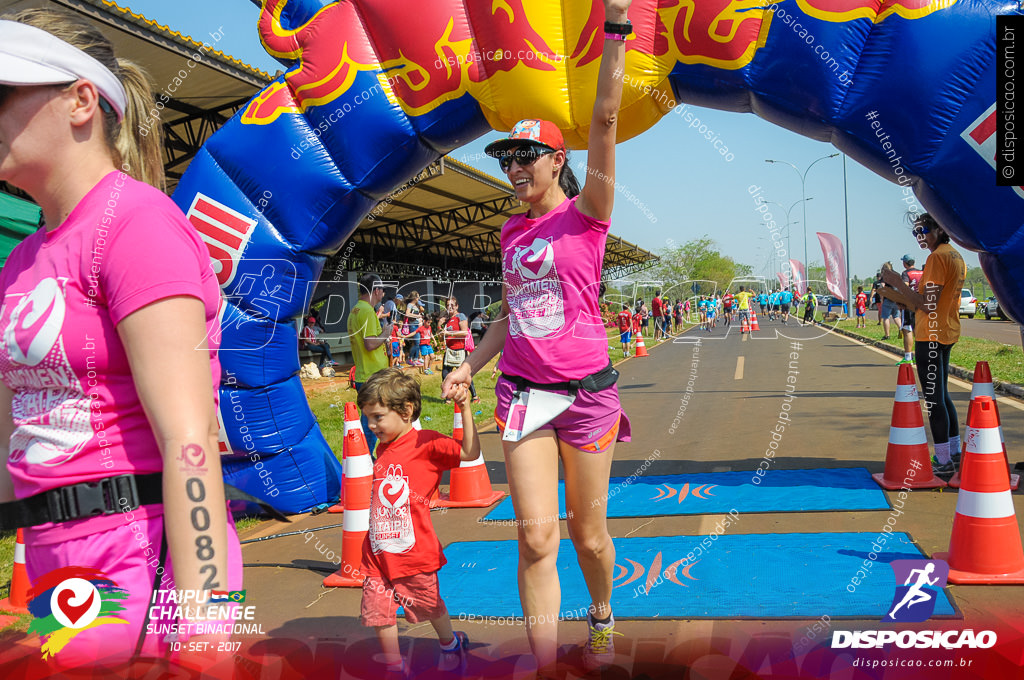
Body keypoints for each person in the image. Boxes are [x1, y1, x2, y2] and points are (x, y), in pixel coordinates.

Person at [0, 9, 240, 663]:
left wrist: (205, 620)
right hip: (55, 552)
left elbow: (189, 440)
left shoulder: (135, 225)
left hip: (142, 549)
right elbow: (16, 428)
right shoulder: (22, 261)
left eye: (3, 93)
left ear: (81, 101)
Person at [440, 2, 633, 672]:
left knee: (590, 536)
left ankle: (602, 613)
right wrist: (470, 363)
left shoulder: (589, 216)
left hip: (587, 396)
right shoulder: (510, 232)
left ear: (557, 161)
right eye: (506, 160)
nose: (514, 168)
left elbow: (605, 119)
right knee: (535, 538)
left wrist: (615, 29)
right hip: (525, 395)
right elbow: (510, 312)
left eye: (526, 157)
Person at [357, 367, 481, 676]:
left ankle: (450, 643)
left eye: (377, 417)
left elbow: (469, 451)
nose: (371, 425)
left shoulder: (426, 444)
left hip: (414, 552)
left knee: (428, 605)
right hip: (377, 553)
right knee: (378, 612)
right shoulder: (383, 446)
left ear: (406, 410)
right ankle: (394, 666)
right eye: (368, 418)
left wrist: (464, 407)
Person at [880, 213, 966, 475]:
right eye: (917, 232)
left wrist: (895, 283)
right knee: (942, 395)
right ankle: (953, 452)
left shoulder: (937, 257)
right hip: (946, 330)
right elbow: (929, 302)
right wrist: (897, 296)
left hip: (930, 335)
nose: (921, 236)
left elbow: (926, 305)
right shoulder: (954, 255)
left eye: (925, 230)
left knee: (933, 400)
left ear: (941, 228)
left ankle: (942, 459)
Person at [349, 273, 394, 452]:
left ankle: (364, 457)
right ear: (376, 290)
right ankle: (366, 459)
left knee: (370, 419)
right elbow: (369, 343)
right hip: (372, 376)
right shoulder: (367, 311)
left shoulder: (356, 310)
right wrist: (386, 333)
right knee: (372, 423)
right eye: (382, 290)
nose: (383, 294)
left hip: (364, 373)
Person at [441, 297, 477, 404]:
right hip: (449, 350)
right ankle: (448, 397)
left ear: (457, 306)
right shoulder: (447, 319)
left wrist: (449, 333)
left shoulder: (460, 316)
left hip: (460, 350)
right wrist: (440, 326)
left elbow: (465, 332)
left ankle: (474, 396)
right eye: (448, 305)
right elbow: (442, 337)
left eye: (452, 305)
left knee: (464, 375)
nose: (450, 307)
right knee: (445, 374)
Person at [898, 254, 923, 364]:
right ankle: (921, 356)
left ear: (905, 263)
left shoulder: (905, 273)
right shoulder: (922, 273)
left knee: (907, 329)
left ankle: (908, 357)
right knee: (919, 329)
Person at [403, 290, 424, 367]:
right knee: (417, 342)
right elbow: (407, 314)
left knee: (417, 343)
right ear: (415, 297)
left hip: (417, 324)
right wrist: (417, 316)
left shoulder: (416, 305)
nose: (419, 298)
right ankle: (410, 358)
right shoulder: (410, 305)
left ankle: (415, 358)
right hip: (412, 325)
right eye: (418, 296)